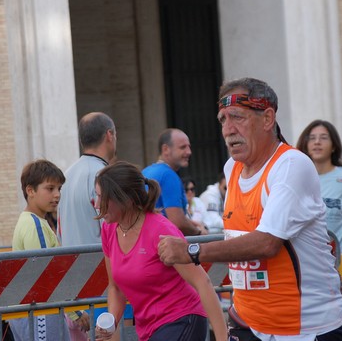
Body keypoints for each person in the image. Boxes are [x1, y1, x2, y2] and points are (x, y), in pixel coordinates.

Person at [158, 77, 342, 341]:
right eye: (222, 120)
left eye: (237, 117)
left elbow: (266, 243)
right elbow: (239, 240)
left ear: (267, 118)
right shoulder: (232, 169)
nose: (228, 129)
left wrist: (191, 250)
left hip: (308, 329)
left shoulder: (291, 165)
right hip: (249, 323)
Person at [93, 161, 226, 341]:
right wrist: (111, 323)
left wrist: (222, 338)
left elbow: (203, 282)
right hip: (150, 328)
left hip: (182, 318)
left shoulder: (160, 230)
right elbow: (115, 289)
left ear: (125, 199)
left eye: (103, 197)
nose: (96, 204)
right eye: (97, 196)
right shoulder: (109, 231)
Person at [10, 159, 89, 341]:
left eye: (59, 189)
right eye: (50, 188)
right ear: (30, 191)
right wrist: (76, 312)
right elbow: (48, 274)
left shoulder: (32, 221)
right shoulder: (34, 225)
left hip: (36, 310)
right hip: (41, 312)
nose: (57, 195)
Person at [296, 120, 342, 313]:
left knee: (339, 329)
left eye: (323, 138)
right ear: (304, 144)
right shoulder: (295, 179)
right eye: (311, 138)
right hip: (309, 271)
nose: (317, 142)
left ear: (334, 146)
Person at [58, 112, 117, 246]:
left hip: (70, 262)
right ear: (109, 135)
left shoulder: (66, 176)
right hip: (100, 262)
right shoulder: (104, 175)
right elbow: (112, 230)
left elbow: (60, 233)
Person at [142, 129, 205, 236]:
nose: (189, 152)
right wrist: (199, 233)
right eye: (182, 147)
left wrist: (188, 223)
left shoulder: (145, 171)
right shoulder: (169, 175)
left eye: (189, 146)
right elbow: (178, 222)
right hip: (163, 246)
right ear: (165, 149)